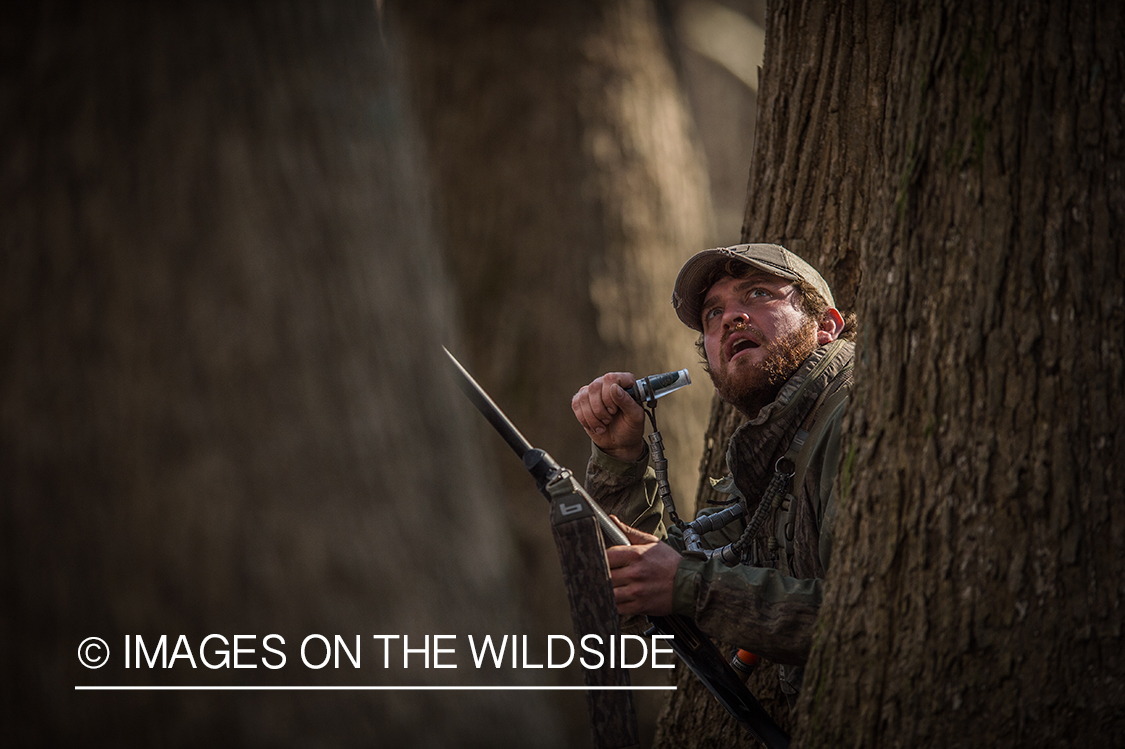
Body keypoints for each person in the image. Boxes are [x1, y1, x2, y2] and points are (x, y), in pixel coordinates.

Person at [571, 243, 855, 698]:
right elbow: (647, 601)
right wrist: (620, 459)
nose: (731, 318)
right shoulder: (769, 454)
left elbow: (866, 621)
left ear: (826, 326)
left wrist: (689, 586)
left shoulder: (854, 416)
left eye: (759, 294)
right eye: (712, 314)